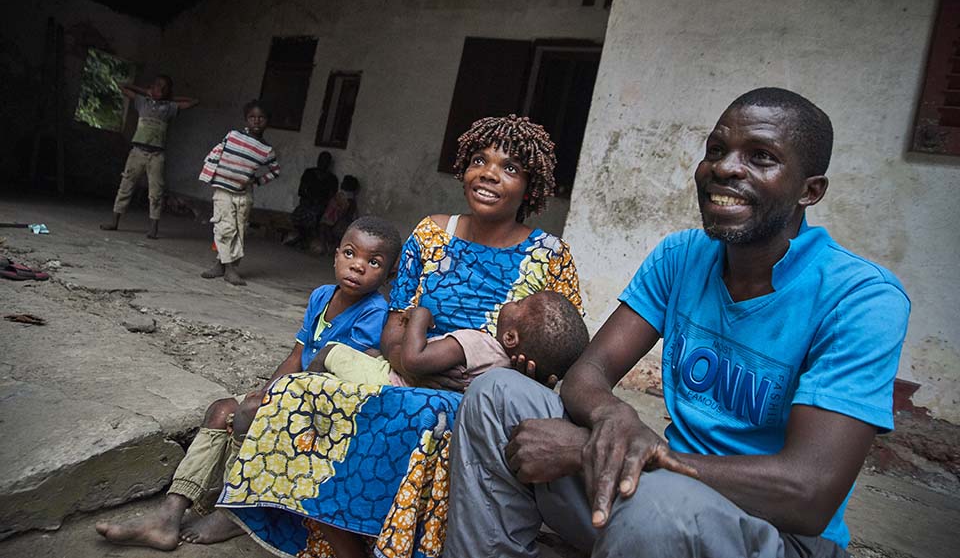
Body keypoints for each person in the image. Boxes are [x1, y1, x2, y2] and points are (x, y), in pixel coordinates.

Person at [443, 88, 911, 558]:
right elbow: (589, 372)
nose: (725, 167)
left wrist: (603, 453)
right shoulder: (682, 255)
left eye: (762, 157)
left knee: (660, 511)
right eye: (716, 150)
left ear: (809, 191)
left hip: (772, 535)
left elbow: (808, 494)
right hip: (643, 503)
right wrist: (611, 416)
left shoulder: (861, 298)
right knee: (496, 396)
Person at [217, 115, 583, 558]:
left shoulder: (550, 255)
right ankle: (334, 537)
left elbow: (556, 349)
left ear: (532, 185)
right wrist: (409, 360)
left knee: (418, 412)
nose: (489, 173)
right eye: (480, 161)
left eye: (510, 168)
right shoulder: (429, 235)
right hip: (407, 366)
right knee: (301, 391)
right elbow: (396, 319)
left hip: (477, 394)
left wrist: (522, 373)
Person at [94, 215, 402, 551]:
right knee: (221, 410)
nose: (357, 266)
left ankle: (235, 510)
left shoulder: (374, 311)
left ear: (388, 275)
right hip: (293, 390)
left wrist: (271, 401)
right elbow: (296, 355)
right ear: (335, 254)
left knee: (250, 414)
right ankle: (168, 517)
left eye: (372, 262)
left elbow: (337, 375)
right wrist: (269, 389)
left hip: (324, 405)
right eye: (349, 253)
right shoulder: (322, 296)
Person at [311, 290, 588, 389]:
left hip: (391, 383)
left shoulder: (478, 344)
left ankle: (297, 399)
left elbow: (413, 360)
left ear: (511, 337)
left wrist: (420, 315)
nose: (512, 302)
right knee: (371, 352)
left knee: (329, 351)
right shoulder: (506, 375)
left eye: (520, 303)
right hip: (396, 376)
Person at [100, 75, 199, 239]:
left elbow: (194, 101)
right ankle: (114, 221)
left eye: (164, 87)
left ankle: (153, 228)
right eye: (157, 85)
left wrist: (169, 97)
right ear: (150, 86)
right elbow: (122, 87)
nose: (160, 88)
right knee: (126, 186)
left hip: (157, 155)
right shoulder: (141, 101)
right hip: (137, 152)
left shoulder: (169, 107)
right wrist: (146, 91)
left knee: (156, 192)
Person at [198, 100, 280, 286]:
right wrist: (211, 173)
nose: (256, 121)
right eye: (252, 117)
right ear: (246, 119)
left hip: (244, 192)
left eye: (261, 118)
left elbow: (275, 171)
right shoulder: (233, 136)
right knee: (224, 227)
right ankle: (230, 269)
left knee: (238, 230)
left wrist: (257, 181)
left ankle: (221, 264)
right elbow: (217, 153)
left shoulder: (266, 150)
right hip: (223, 189)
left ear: (267, 121)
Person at [288, 151, 339, 248]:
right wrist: (309, 199)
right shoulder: (309, 173)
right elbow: (301, 190)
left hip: (321, 205)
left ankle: (303, 239)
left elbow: (332, 197)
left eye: (325, 161)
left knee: (314, 214)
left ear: (329, 163)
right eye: (321, 160)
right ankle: (302, 237)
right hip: (307, 201)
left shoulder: (332, 179)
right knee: (298, 215)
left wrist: (320, 201)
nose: (322, 163)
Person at [317, 174, 360, 254]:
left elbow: (347, 215)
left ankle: (332, 249)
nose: (342, 184)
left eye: (344, 183)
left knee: (332, 231)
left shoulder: (350, 200)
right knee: (323, 228)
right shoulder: (340, 195)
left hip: (341, 222)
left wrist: (336, 221)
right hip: (332, 220)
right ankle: (326, 248)